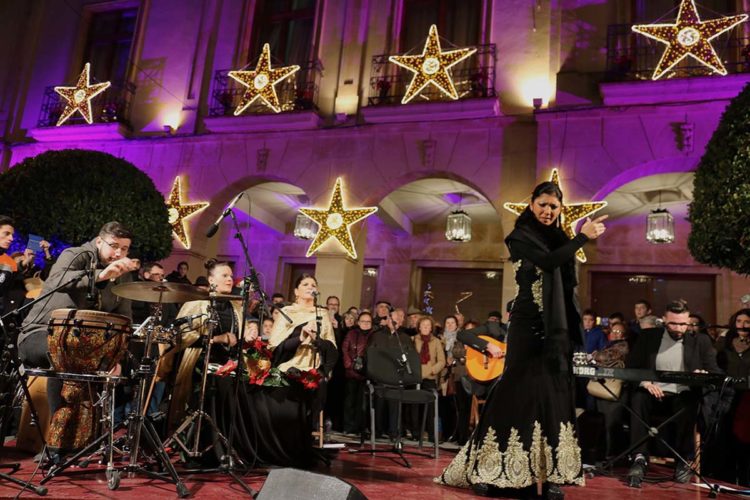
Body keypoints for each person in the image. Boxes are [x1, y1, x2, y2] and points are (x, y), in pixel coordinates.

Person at [438, 180, 607, 499]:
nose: (548, 211)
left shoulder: (560, 237)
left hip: (557, 333)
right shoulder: (519, 235)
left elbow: (564, 275)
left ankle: (550, 473)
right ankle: (491, 467)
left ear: (560, 210)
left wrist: (575, 239)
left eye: (554, 207)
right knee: (517, 394)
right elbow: (548, 261)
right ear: (532, 205)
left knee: (553, 396)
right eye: (543, 204)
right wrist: (583, 236)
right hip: (528, 326)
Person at [19, 221, 139, 453]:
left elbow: (125, 320)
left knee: (112, 362)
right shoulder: (76, 254)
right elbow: (58, 280)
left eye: (124, 249)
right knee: (67, 356)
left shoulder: (124, 278)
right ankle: (57, 445)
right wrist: (100, 275)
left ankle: (87, 440)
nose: (118, 253)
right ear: (98, 241)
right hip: (38, 334)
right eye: (114, 246)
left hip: (82, 346)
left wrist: (116, 356)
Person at [156, 259, 257, 462]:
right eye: (224, 276)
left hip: (227, 366)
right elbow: (181, 338)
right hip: (199, 364)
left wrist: (247, 335)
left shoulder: (234, 307)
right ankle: (198, 448)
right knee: (208, 392)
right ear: (211, 280)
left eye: (230, 276)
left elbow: (237, 339)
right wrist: (216, 339)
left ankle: (227, 449)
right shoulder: (196, 304)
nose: (230, 279)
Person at [625, 300, 720, 488]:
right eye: (674, 323)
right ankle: (639, 457)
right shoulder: (648, 337)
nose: (679, 328)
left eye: (684, 323)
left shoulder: (700, 340)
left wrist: (704, 375)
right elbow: (632, 367)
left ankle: (684, 459)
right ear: (664, 320)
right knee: (638, 397)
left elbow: (714, 371)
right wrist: (645, 383)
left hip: (682, 394)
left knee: (689, 403)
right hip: (653, 393)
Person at [266, 273, 337, 466]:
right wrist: (300, 335)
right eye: (305, 284)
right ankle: (283, 452)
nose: (310, 287)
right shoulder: (286, 311)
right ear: (296, 291)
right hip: (289, 367)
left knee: (311, 407)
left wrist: (317, 340)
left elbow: (332, 347)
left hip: (312, 368)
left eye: (313, 284)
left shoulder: (321, 313)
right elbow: (274, 345)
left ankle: (303, 450)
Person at [713, 308, 750, 486]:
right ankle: (725, 478)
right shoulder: (724, 342)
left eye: (747, 322)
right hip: (727, 394)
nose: (742, 325)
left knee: (744, 437)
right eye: (739, 321)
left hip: (748, 397)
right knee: (725, 436)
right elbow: (714, 364)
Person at [590, 323, 629, 458]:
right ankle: (604, 453)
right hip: (604, 389)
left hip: (616, 391)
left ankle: (611, 454)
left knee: (612, 424)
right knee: (604, 423)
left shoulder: (623, 345)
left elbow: (603, 358)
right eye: (614, 330)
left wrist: (597, 356)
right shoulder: (607, 345)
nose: (616, 333)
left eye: (620, 330)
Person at [411, 316, 446, 442]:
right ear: (419, 327)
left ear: (431, 328)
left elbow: (442, 361)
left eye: (428, 325)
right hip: (415, 377)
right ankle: (415, 434)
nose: (426, 327)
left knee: (430, 408)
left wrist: (432, 370)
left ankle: (432, 435)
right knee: (415, 407)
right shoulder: (413, 339)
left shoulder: (436, 341)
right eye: (423, 325)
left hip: (430, 378)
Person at [341, 312, 374, 435]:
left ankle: (361, 428)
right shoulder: (351, 333)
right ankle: (348, 427)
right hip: (351, 372)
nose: (365, 324)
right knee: (350, 401)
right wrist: (349, 365)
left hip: (367, 373)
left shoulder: (374, 335)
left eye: (368, 322)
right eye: (363, 321)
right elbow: (345, 349)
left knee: (363, 403)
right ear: (358, 322)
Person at [0, 216, 17, 315]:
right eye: (7, 234)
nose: (11, 238)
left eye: (12, 235)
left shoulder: (10, 262)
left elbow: (11, 292)